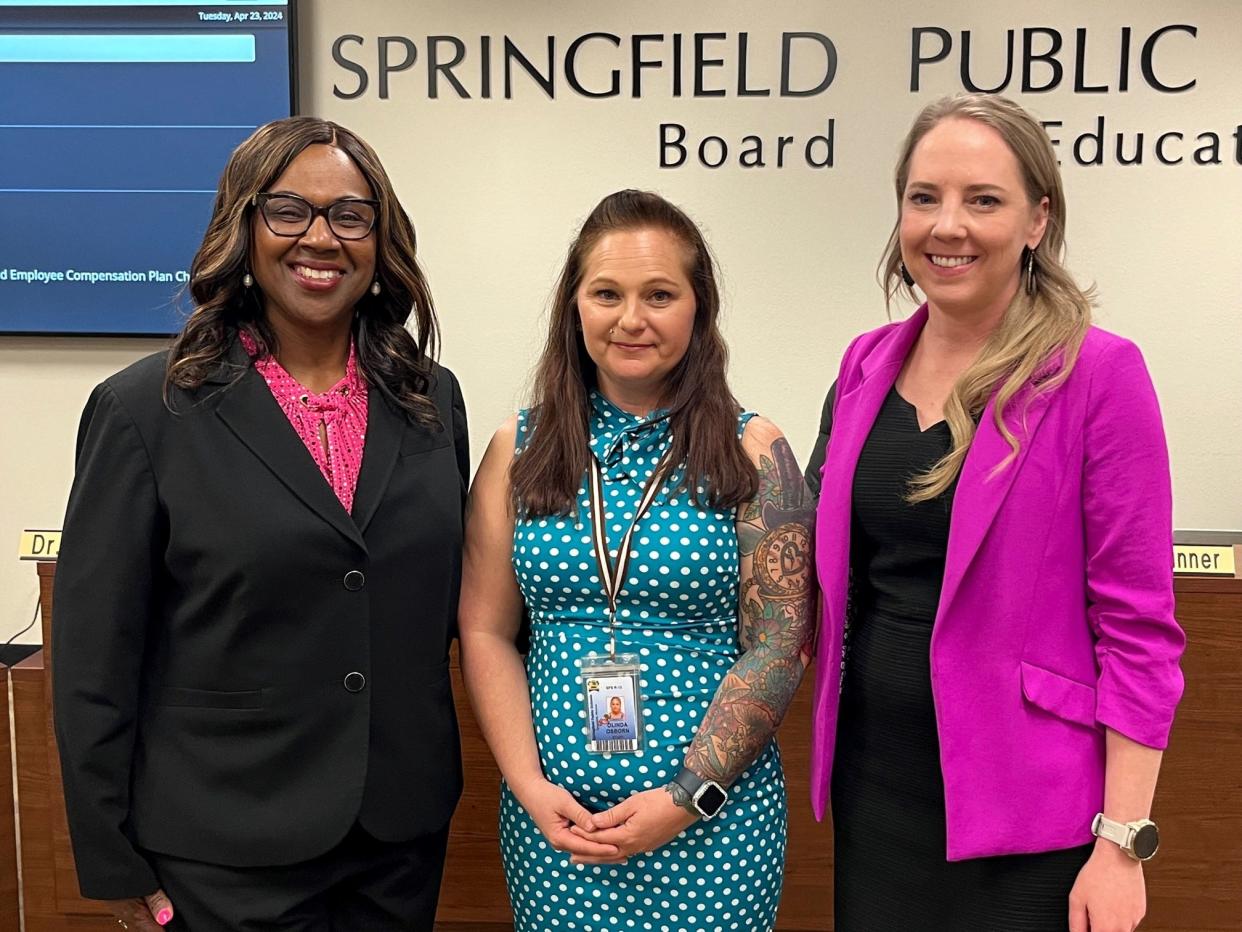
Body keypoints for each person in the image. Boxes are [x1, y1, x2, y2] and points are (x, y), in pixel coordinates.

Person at [52, 116, 468, 932]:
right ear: (242, 227)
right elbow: (94, 654)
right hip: (223, 848)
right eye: (289, 211)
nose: (322, 237)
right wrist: (110, 854)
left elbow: (445, 604)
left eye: (351, 215)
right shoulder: (147, 409)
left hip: (397, 837)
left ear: (382, 241)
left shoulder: (432, 400)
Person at [805, 94, 1185, 931]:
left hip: (1031, 814)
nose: (949, 226)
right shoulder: (865, 364)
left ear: (1036, 220)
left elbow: (1139, 629)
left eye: (983, 199)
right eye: (924, 196)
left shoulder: (1099, 376)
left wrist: (1121, 846)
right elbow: (827, 565)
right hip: (879, 792)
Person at [459, 189, 815, 932]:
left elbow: (778, 645)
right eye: (606, 293)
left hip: (714, 832)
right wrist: (527, 784)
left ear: (698, 307)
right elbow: (487, 631)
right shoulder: (517, 449)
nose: (631, 319)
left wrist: (687, 798)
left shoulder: (756, 452)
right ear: (574, 306)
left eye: (659, 294)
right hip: (559, 830)